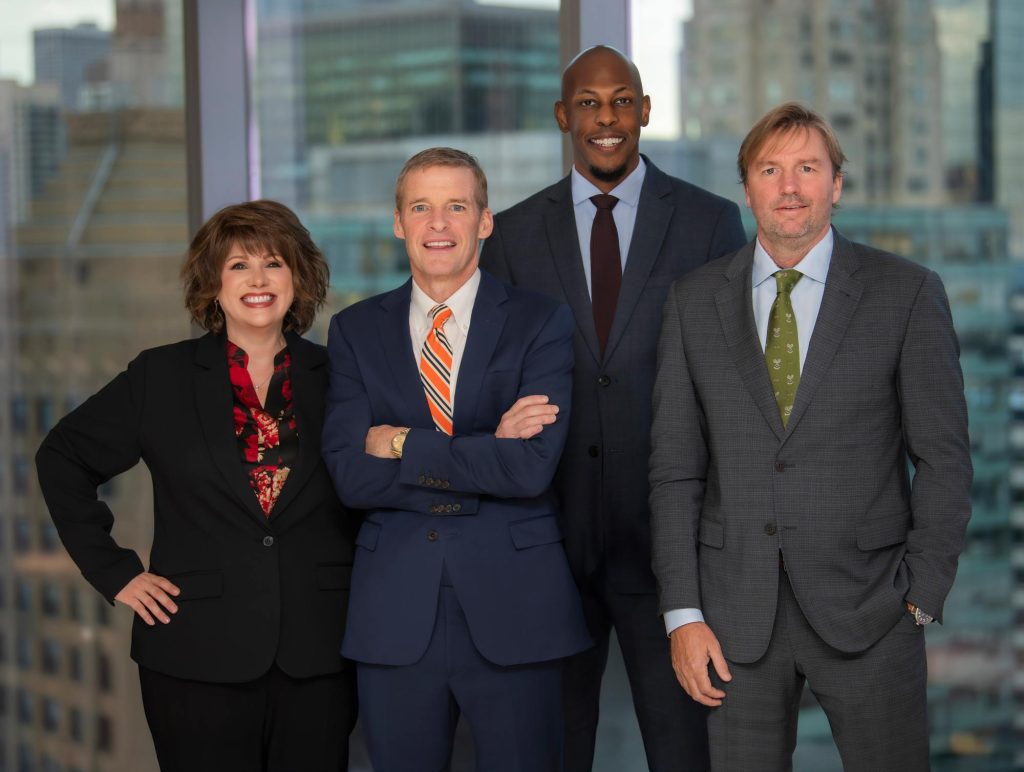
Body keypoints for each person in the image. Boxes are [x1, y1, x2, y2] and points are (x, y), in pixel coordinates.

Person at [649, 102, 973, 771]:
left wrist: (922, 594)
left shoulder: (906, 293)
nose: (788, 186)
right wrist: (683, 615)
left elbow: (942, 457)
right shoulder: (693, 300)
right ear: (747, 187)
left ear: (837, 185)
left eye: (807, 168)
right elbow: (676, 470)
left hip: (873, 609)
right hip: (732, 619)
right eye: (770, 169)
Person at [479, 44, 746, 771]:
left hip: (673, 553)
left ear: (646, 112)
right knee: (551, 751)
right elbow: (492, 383)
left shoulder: (710, 224)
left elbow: (730, 388)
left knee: (685, 751)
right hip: (547, 547)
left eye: (622, 100)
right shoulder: (510, 236)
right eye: (590, 102)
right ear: (564, 114)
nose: (607, 116)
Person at [35, 200, 360, 772]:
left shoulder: (343, 377)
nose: (257, 281)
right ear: (212, 285)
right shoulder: (159, 377)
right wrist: (117, 573)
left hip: (320, 651)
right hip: (194, 653)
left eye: (274, 264)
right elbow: (62, 457)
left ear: (298, 279)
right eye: (238, 266)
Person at [322, 147, 591, 772]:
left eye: (456, 207)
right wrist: (487, 446)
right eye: (421, 207)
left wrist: (401, 444)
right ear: (398, 222)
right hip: (395, 611)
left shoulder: (540, 322)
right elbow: (351, 476)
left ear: (485, 221)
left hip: (516, 606)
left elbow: (530, 469)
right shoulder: (355, 331)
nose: (438, 224)